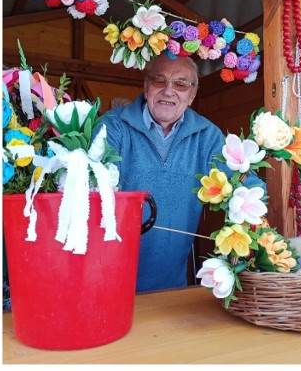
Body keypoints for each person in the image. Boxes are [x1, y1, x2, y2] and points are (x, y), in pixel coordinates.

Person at [101, 54, 260, 293]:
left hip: (172, 289)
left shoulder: (207, 136)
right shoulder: (111, 127)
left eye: (180, 84)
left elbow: (247, 186)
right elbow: (89, 189)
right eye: (159, 81)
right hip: (106, 283)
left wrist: (253, 205)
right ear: (146, 87)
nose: (168, 91)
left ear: (192, 95)